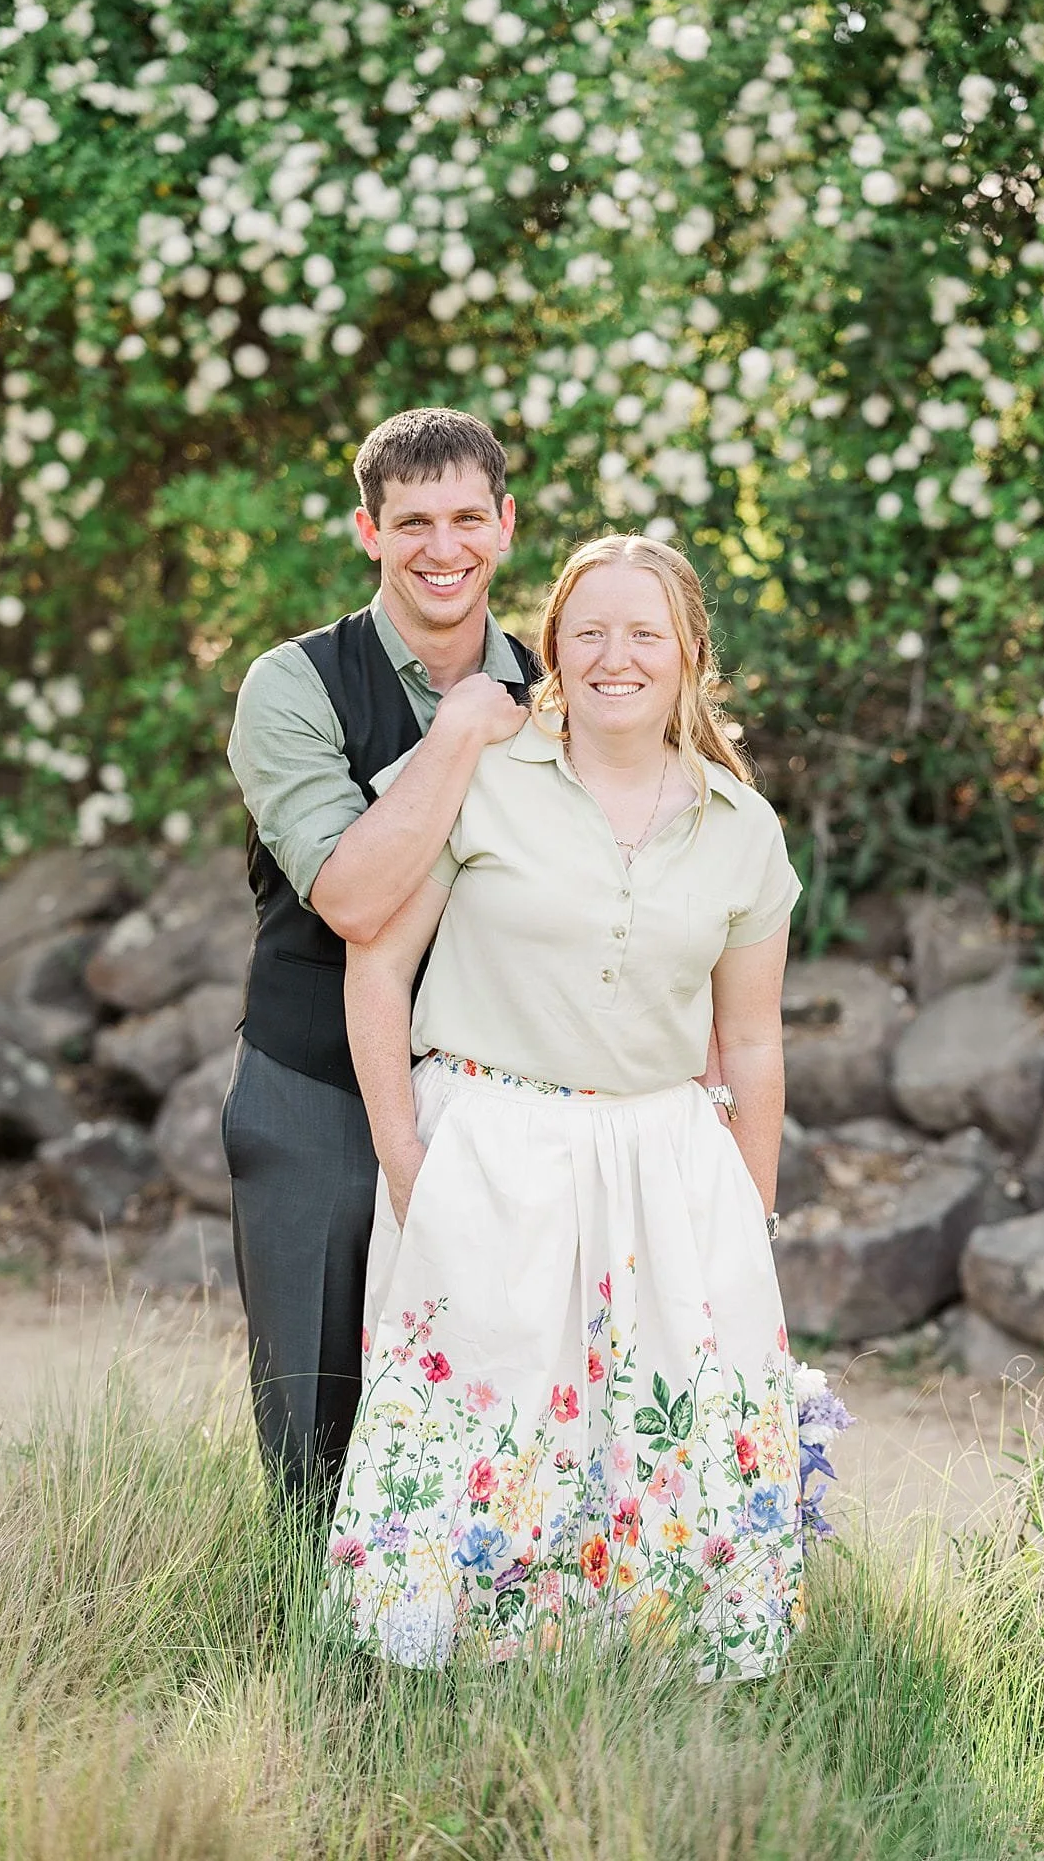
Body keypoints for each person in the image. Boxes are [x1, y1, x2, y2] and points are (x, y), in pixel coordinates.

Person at [326, 532, 813, 1679]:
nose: (616, 656)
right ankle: (426, 1674)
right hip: (489, 1141)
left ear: (691, 653)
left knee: (664, 1432)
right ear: (553, 649)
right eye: (588, 631)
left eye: (646, 632)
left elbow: (749, 1038)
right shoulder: (480, 777)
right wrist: (408, 1161)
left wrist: (751, 1213)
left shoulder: (742, 829)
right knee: (482, 1429)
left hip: (664, 1155)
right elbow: (376, 969)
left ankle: (648, 1679)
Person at [225, 407, 537, 1507]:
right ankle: (309, 1659)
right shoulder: (292, 685)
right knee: (317, 1421)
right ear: (369, 530)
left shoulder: (560, 694)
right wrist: (456, 734)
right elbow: (353, 898)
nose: (441, 547)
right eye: (412, 522)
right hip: (312, 1087)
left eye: (465, 517)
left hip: (502, 1100)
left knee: (495, 1394)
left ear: (505, 525)